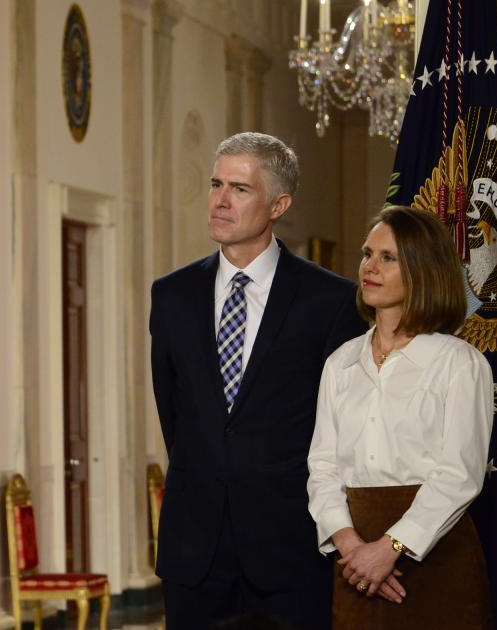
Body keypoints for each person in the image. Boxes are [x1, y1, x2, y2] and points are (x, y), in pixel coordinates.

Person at [149, 131, 365, 629]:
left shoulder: (331, 301)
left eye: (240, 189)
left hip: (289, 551)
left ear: (278, 205)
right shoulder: (172, 294)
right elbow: (174, 412)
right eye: (216, 184)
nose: (220, 200)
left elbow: (342, 428)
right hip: (194, 552)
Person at [306, 206, 493, 628]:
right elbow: (322, 466)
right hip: (354, 563)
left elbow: (459, 475)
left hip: (437, 556)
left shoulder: (459, 362)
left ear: (422, 269)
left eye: (387, 257)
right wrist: (351, 546)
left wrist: (389, 549)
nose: (369, 267)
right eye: (367, 254)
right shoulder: (340, 363)